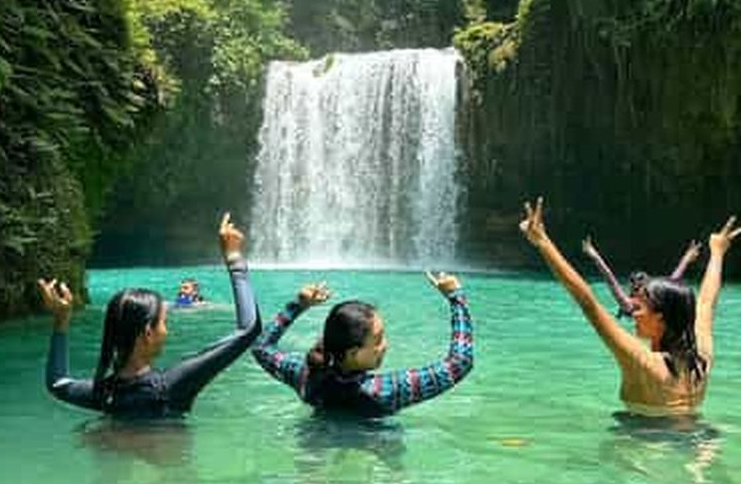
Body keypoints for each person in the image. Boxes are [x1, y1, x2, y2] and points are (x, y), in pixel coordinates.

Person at [521, 197, 739, 415]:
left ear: (660, 317)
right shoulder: (701, 360)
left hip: (645, 442)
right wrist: (717, 252)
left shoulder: (643, 363)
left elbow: (589, 304)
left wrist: (543, 242)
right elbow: (706, 303)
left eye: (639, 308)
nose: (633, 314)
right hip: (695, 436)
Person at [38, 213, 260, 417]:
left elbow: (57, 383)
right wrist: (233, 257)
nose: (167, 329)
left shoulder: (102, 393)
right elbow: (249, 330)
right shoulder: (173, 385)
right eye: (163, 322)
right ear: (147, 333)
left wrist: (61, 322)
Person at [251, 271, 473, 417]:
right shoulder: (387, 391)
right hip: (376, 455)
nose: (386, 345)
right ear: (353, 353)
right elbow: (460, 362)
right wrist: (456, 297)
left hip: (315, 449)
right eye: (378, 340)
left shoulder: (306, 376)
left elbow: (261, 348)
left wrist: (297, 306)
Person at [581, 234, 701, 317]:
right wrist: (687, 258)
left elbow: (611, 280)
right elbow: (673, 280)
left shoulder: (631, 304)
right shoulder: (630, 305)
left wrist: (595, 256)